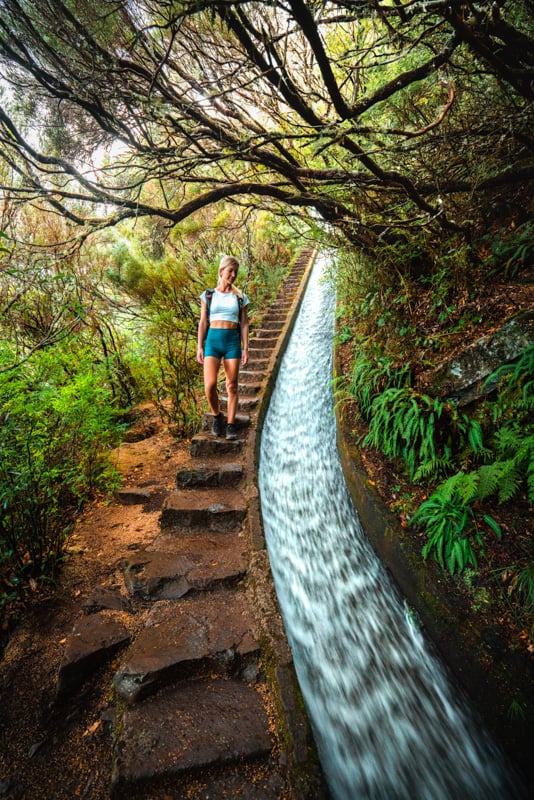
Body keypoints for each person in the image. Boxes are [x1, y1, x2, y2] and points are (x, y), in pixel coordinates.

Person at [196, 255, 250, 440]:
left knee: (232, 386)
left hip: (232, 343)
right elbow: (203, 322)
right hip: (212, 341)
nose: (233, 275)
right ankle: (217, 415)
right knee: (210, 385)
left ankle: (231, 424)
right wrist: (199, 346)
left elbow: (244, 324)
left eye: (235, 272)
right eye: (230, 271)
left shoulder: (240, 297)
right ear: (221, 271)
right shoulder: (208, 295)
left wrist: (246, 348)